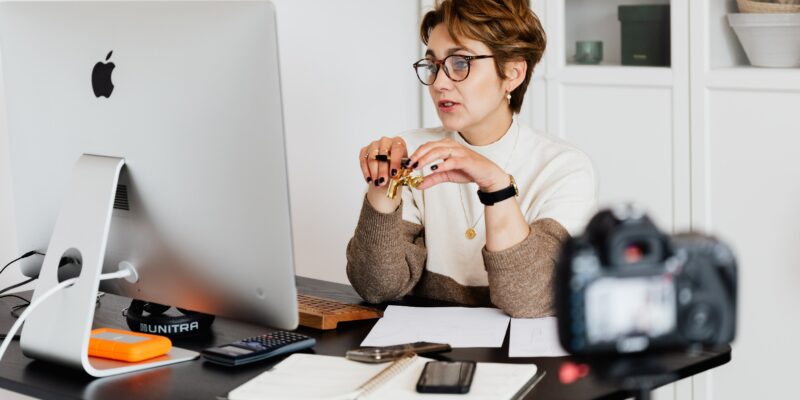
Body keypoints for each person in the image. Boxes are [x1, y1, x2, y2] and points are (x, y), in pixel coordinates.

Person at [346, 0, 597, 318]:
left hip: (520, 359)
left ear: (512, 73)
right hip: (427, 351)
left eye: (460, 63)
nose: (439, 84)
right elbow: (376, 287)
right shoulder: (411, 152)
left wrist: (496, 186)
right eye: (433, 65)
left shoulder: (564, 168)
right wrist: (381, 191)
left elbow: (530, 299)